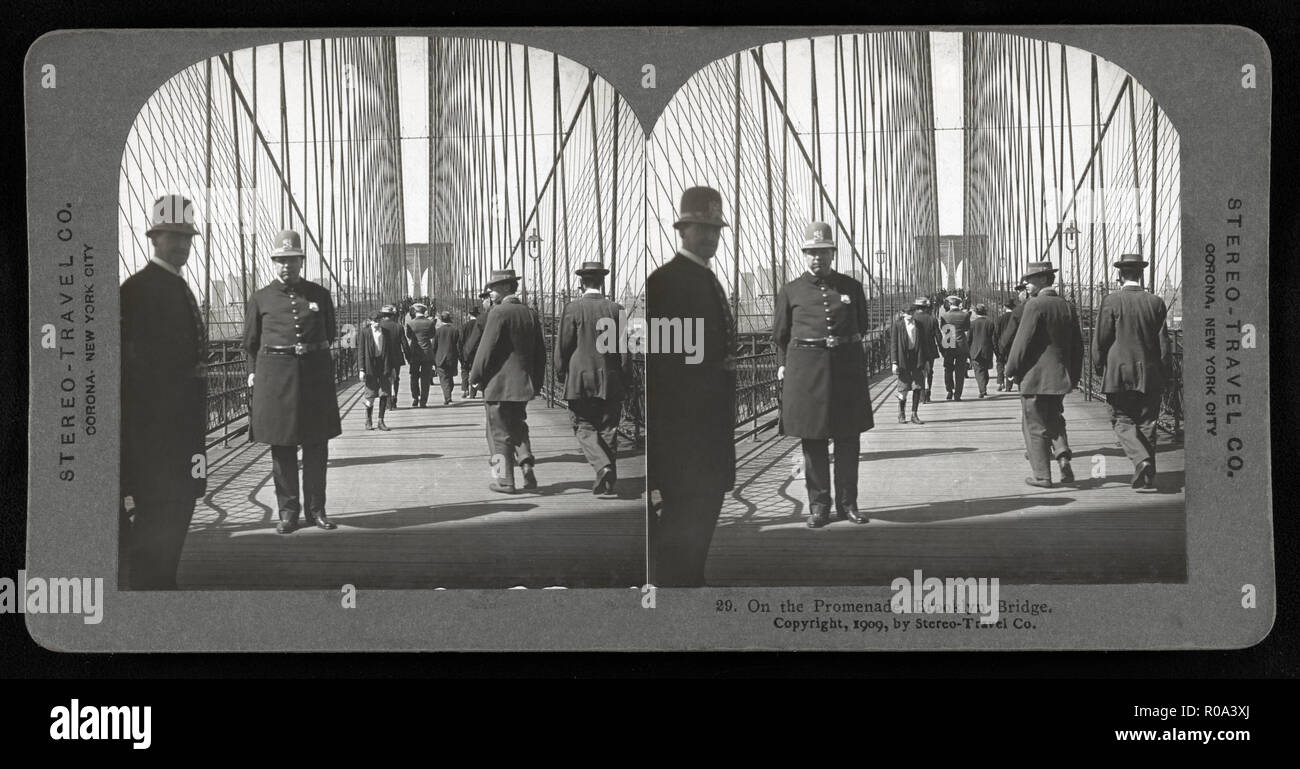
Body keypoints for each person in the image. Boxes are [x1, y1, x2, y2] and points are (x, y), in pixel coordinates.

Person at [646, 186, 737, 586]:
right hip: (686, 437)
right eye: (702, 228)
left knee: (700, 526)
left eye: (715, 229)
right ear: (682, 231)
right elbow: (662, 370)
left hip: (710, 431)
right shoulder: (665, 281)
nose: (710, 236)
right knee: (685, 528)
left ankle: (690, 587)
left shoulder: (702, 276)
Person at [120, 194, 208, 589]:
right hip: (157, 435)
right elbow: (133, 371)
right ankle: (151, 597)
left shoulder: (173, 284)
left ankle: (161, 588)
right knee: (160, 516)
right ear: (152, 238)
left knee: (177, 514)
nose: (182, 245)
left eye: (187, 238)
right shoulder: (137, 290)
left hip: (182, 429)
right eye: (173, 237)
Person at [773, 221, 874, 528]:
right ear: (804, 255)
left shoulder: (852, 288)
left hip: (845, 370)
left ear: (833, 253)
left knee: (848, 439)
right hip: (807, 373)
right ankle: (819, 507)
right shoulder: (790, 291)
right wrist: (782, 364)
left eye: (823, 252)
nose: (817, 257)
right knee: (813, 440)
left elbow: (862, 325)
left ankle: (848, 504)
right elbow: (780, 335)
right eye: (811, 252)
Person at [243, 230, 343, 533]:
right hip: (277, 379)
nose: (286, 265)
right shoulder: (260, 298)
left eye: (292, 260)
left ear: (301, 261)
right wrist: (252, 372)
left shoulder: (320, 295)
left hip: (314, 377)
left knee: (317, 446)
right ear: (274, 263)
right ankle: (288, 513)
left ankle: (317, 510)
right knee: (282, 448)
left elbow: (330, 332)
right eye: (280, 260)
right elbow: (250, 342)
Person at [1093, 253, 1173, 491]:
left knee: (1121, 419)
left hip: (1119, 373)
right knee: (1148, 422)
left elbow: (1101, 339)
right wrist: (1165, 374)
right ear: (1141, 274)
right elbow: (1164, 344)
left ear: (1120, 275)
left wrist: (1099, 366)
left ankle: (1141, 461)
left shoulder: (1111, 301)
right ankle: (1148, 478)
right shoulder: (1156, 302)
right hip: (1150, 373)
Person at [1005, 261, 1083, 488]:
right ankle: (1063, 457)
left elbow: (1021, 343)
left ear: (1041, 280)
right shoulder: (1067, 306)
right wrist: (1073, 376)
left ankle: (1042, 476)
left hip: (1034, 377)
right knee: (1055, 419)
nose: (1025, 285)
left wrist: (1010, 370)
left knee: (1035, 426)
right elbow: (1078, 346)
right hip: (1060, 376)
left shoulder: (1034, 305)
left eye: (1028, 281)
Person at [555, 260, 629, 495]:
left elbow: (563, 346)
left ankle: (602, 466)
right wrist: (624, 379)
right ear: (602, 282)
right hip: (610, 378)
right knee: (608, 427)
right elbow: (625, 351)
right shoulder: (617, 309)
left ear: (581, 283)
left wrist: (560, 372)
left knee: (582, 424)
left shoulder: (573, 308)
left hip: (580, 379)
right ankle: (608, 481)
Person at [469, 269, 547, 493]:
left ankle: (504, 481)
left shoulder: (498, 313)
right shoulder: (530, 313)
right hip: (522, 384)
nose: (490, 293)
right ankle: (526, 462)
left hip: (498, 385)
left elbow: (485, 350)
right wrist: (536, 383)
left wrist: (474, 377)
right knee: (519, 426)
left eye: (492, 289)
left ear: (504, 288)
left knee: (498, 434)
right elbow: (540, 353)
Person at [891, 297, 937, 425]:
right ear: (902, 313)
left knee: (918, 386)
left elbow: (924, 344)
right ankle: (901, 413)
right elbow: (894, 344)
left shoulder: (919, 325)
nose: (910, 315)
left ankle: (914, 414)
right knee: (903, 388)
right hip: (903, 359)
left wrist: (927, 360)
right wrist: (894, 362)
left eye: (912, 312)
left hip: (917, 358)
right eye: (907, 313)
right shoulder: (898, 325)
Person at [358, 307, 402, 431]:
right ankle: (368, 419)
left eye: (379, 320)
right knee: (370, 395)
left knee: (384, 393)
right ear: (370, 321)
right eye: (374, 320)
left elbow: (390, 351)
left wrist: (392, 368)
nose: (377, 323)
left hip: (384, 365)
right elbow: (361, 351)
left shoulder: (386, 332)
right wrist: (361, 369)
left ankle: (381, 421)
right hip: (370, 366)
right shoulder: (365, 332)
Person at [939, 294, 972, 401]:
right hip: (961, 343)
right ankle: (957, 394)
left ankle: (949, 390)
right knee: (960, 371)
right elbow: (967, 328)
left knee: (948, 368)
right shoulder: (965, 315)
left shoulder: (944, 315)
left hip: (949, 342)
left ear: (950, 304)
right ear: (959, 304)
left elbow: (943, 328)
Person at [461, 292, 492, 399]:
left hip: (475, 353)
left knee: (468, 371)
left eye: (484, 300)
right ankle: (474, 392)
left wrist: (463, 355)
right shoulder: (527, 313)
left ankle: (467, 390)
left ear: (489, 300)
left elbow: (467, 343)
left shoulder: (481, 320)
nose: (483, 303)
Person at [404, 303, 436, 407]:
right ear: (424, 312)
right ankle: (423, 401)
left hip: (414, 353)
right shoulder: (430, 323)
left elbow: (409, 336)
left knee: (414, 376)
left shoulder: (410, 323)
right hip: (427, 353)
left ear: (415, 312)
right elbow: (432, 335)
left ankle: (415, 397)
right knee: (425, 378)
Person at [380, 303, 407, 410]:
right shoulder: (398, 327)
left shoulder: (379, 326)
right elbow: (404, 344)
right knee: (395, 379)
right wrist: (409, 357)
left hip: (381, 358)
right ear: (392, 315)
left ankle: (387, 401)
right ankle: (394, 398)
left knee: (384, 379)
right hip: (396, 357)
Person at [431, 310, 461, 406]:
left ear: (441, 319)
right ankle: (448, 395)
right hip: (452, 357)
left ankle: (447, 397)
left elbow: (434, 346)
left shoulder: (438, 331)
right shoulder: (455, 330)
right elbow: (458, 345)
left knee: (444, 379)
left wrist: (433, 358)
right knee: (450, 377)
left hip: (440, 358)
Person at [915, 297, 941, 403]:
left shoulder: (913, 318)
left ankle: (921, 394)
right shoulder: (932, 319)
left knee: (918, 372)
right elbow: (938, 336)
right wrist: (943, 348)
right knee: (929, 371)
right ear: (926, 307)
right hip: (930, 350)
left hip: (915, 351)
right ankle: (927, 393)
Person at [968, 303, 996, 398]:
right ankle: (983, 388)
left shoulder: (972, 324)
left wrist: (967, 351)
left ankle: (982, 388)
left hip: (975, 350)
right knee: (984, 370)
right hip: (986, 350)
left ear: (976, 313)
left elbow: (969, 338)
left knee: (979, 371)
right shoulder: (990, 323)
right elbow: (994, 338)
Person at [992, 298, 1017, 392]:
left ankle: (1000, 382)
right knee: (1010, 364)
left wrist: (995, 347)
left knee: (1000, 364)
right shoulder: (1016, 317)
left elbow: (995, 334)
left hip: (1001, 345)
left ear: (1005, 307)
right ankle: (1009, 385)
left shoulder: (1000, 319)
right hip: (1013, 345)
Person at [459, 305, 482, 398]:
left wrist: (460, 353)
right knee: (474, 371)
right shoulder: (480, 325)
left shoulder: (464, 326)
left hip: (466, 352)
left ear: (469, 315)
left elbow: (460, 340)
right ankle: (473, 392)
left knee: (464, 370)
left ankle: (465, 390)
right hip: (478, 352)